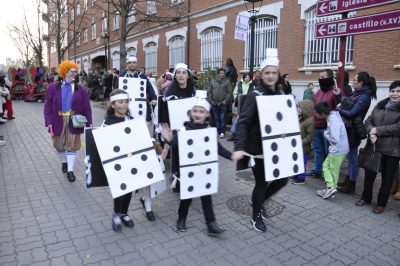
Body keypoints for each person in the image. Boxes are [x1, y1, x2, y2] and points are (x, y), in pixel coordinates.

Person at [232, 49, 288, 233]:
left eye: (274, 72)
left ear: (277, 74)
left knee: (282, 179)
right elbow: (243, 122)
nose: (271, 76)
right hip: (258, 150)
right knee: (262, 183)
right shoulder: (255, 96)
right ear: (260, 75)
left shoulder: (280, 96)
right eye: (267, 73)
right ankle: (255, 216)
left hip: (276, 148)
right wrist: (239, 147)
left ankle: (260, 200)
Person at [161, 97, 231, 236]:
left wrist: (231, 156)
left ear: (207, 115)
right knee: (187, 197)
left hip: (204, 170)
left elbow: (218, 148)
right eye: (195, 111)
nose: (197, 114)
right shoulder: (184, 129)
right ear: (190, 113)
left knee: (206, 196)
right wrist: (169, 139)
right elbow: (174, 145)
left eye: (201, 111)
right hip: (188, 170)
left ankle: (211, 224)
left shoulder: (209, 130)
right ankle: (181, 218)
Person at [355, 80, 400, 214]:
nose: (395, 94)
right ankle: (366, 197)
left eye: (398, 91)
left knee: (387, 179)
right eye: (392, 91)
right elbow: (368, 120)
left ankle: (381, 203)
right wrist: (371, 131)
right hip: (374, 146)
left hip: (392, 150)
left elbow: (398, 127)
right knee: (369, 174)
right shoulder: (380, 105)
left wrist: (377, 131)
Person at [44, 61, 92, 182]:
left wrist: (89, 122)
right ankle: (64, 162)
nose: (75, 74)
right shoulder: (52, 87)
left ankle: (70, 170)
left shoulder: (80, 89)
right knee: (59, 146)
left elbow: (87, 107)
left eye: (76, 71)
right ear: (65, 72)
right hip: (57, 120)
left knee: (72, 146)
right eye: (72, 71)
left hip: (74, 121)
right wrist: (49, 121)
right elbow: (48, 106)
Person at [335, 71, 376, 193]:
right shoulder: (357, 93)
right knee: (350, 157)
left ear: (361, 83)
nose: (352, 81)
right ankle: (349, 179)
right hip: (348, 129)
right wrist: (338, 96)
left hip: (353, 131)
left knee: (353, 159)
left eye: (354, 80)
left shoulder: (364, 97)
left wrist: (338, 110)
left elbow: (352, 113)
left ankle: (351, 185)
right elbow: (345, 104)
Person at [103, 89, 137, 231]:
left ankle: (124, 213)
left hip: (130, 161)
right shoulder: (108, 123)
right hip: (117, 163)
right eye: (120, 102)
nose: (124, 105)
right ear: (113, 105)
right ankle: (116, 214)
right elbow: (103, 143)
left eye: (126, 102)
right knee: (120, 189)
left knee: (129, 189)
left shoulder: (131, 120)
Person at [162, 63, 197, 193]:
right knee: (177, 156)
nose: (181, 75)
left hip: (191, 129)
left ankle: (190, 179)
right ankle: (177, 180)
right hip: (176, 130)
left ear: (188, 76)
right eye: (178, 73)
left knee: (190, 156)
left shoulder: (193, 91)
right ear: (175, 76)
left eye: (184, 73)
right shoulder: (170, 92)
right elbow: (165, 114)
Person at [308, 69, 343, 178]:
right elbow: (314, 106)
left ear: (329, 78)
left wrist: (338, 95)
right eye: (319, 77)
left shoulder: (336, 92)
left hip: (327, 128)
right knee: (318, 150)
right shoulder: (318, 92)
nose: (320, 79)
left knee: (329, 152)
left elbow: (340, 106)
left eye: (323, 77)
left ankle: (329, 174)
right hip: (316, 126)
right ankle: (316, 170)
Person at [314, 101, 349, 199]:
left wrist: (326, 134)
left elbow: (335, 139)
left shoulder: (333, 121)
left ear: (323, 114)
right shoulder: (333, 116)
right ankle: (330, 189)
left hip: (338, 149)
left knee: (327, 167)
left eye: (317, 113)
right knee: (332, 168)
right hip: (340, 149)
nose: (315, 115)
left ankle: (330, 187)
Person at [118, 56, 157, 123]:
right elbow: (116, 90)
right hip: (126, 104)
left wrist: (154, 98)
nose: (132, 64)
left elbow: (149, 88)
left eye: (134, 62)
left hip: (140, 105)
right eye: (130, 63)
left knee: (140, 125)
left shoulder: (142, 76)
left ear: (137, 64)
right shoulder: (122, 76)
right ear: (127, 64)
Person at [291, 100, 315, 184]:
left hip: (304, 147)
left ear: (306, 109)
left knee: (301, 162)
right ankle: (296, 174)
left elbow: (310, 136)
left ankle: (301, 178)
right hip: (298, 146)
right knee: (296, 160)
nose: (298, 110)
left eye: (300, 108)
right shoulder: (301, 118)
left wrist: (300, 142)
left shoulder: (310, 121)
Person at [228, 73, 254, 141]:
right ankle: (233, 135)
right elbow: (234, 93)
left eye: (248, 77)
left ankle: (242, 136)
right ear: (244, 77)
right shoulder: (239, 84)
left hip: (248, 105)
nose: (247, 78)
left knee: (244, 120)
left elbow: (253, 94)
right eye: (246, 77)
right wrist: (237, 98)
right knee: (237, 119)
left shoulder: (252, 85)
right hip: (239, 104)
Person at [207, 68, 232, 138]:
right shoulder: (213, 82)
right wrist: (211, 100)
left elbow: (229, 92)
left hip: (223, 104)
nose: (223, 74)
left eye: (224, 73)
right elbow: (209, 91)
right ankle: (218, 132)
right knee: (217, 119)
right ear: (218, 74)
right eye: (221, 73)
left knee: (222, 119)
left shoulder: (227, 82)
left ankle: (222, 132)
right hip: (214, 103)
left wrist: (225, 101)